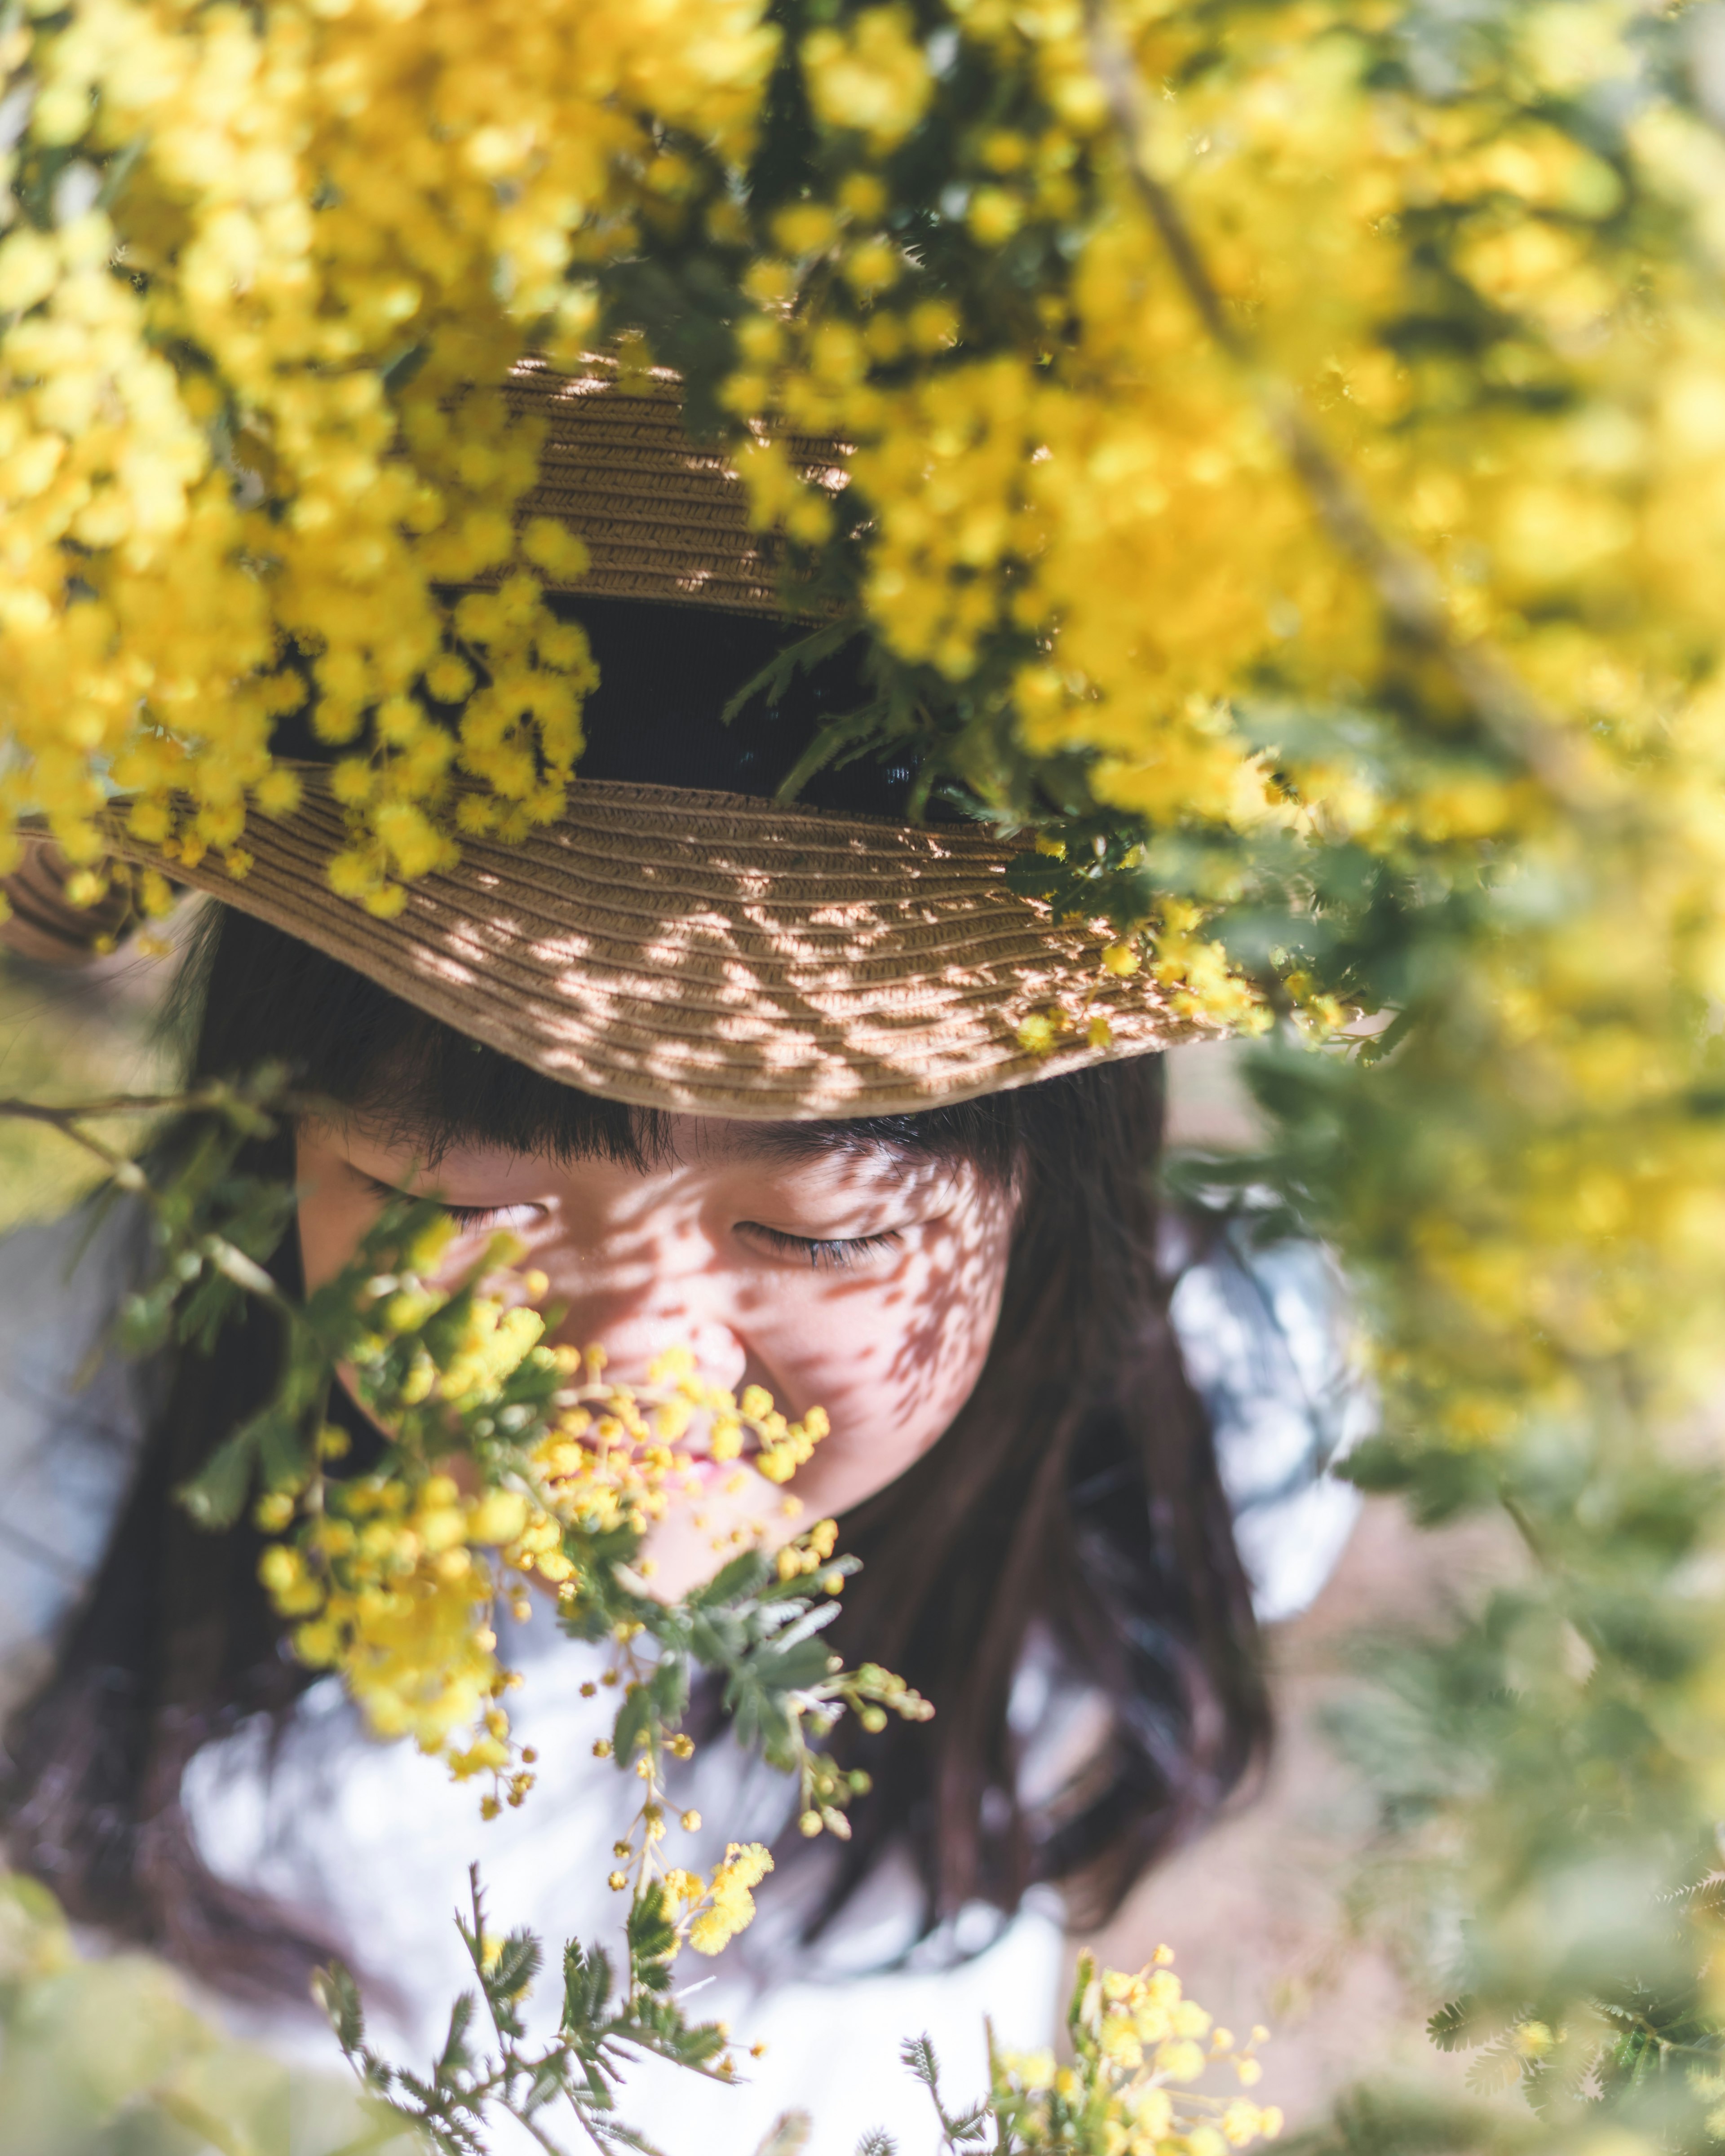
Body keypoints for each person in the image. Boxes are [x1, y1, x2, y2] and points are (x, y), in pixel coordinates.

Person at [0, 369, 1366, 2154]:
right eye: (460, 1207)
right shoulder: (62, 1403)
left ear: (1059, 1188)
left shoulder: (1227, 1397)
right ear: (269, 1135)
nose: (631, 1375)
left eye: (816, 1232)